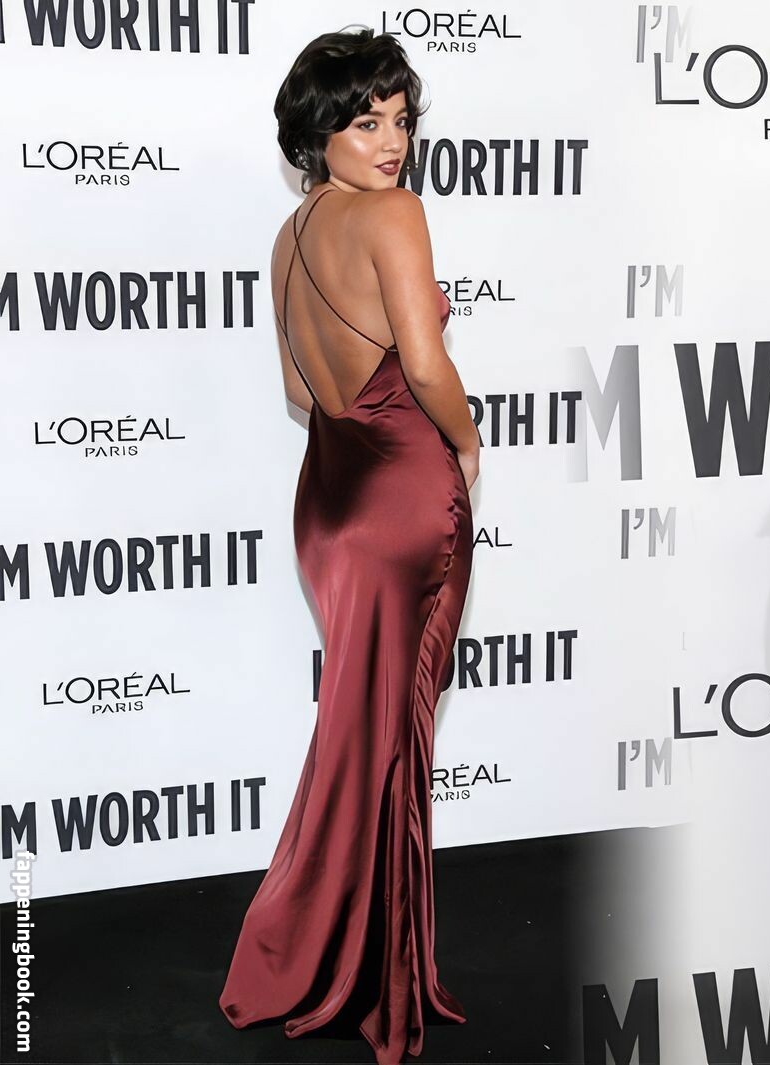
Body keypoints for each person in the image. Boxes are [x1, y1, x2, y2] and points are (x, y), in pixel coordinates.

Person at [220, 29, 481, 1065]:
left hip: (326, 505)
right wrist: (467, 444)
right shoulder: (395, 215)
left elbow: (302, 388)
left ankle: (323, 947)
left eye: (401, 120)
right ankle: (372, 978)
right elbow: (426, 364)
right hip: (405, 499)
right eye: (365, 121)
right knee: (391, 740)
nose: (391, 142)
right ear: (318, 130)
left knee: (357, 734)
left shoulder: (289, 240)